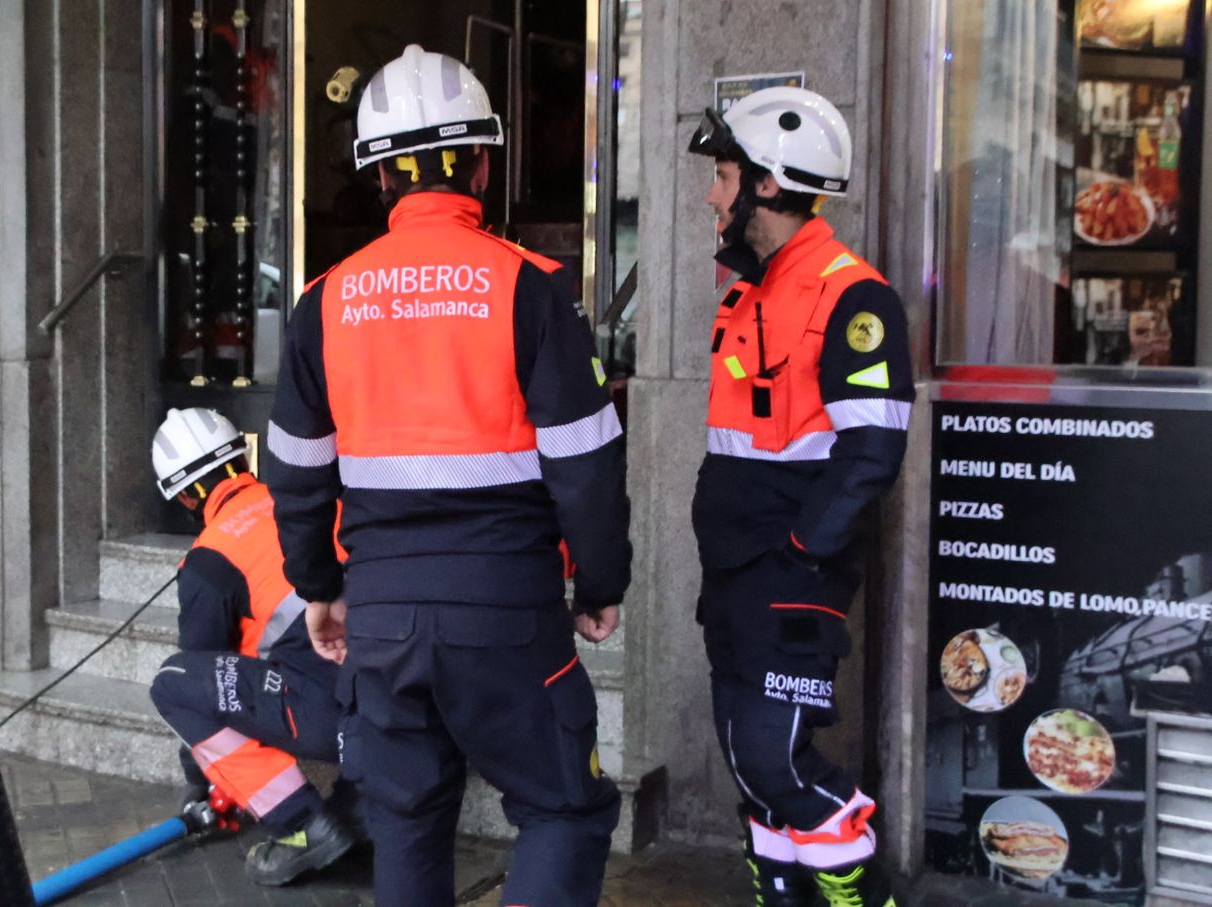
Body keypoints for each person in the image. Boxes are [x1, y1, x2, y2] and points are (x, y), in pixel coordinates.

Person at [266, 44, 633, 907]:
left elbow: (295, 475)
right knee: (563, 810)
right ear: (480, 162)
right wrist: (599, 580)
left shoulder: (325, 302)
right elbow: (586, 464)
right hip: (507, 616)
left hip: (383, 620)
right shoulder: (532, 288)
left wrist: (320, 586)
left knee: (406, 821)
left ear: (379, 178)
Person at [687, 86, 914, 906]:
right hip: (736, 575)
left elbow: (872, 450)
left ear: (769, 185)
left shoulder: (853, 298)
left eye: (722, 176)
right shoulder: (750, 290)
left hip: (790, 577)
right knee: (749, 765)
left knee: (775, 760)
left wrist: (801, 554)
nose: (713, 195)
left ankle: (863, 890)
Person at [146, 406, 357, 887]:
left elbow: (207, 674)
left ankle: (301, 823)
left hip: (331, 712)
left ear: (183, 497)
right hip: (399, 690)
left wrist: (202, 778)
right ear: (242, 459)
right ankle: (358, 807)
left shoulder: (210, 560)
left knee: (174, 682)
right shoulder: (313, 503)